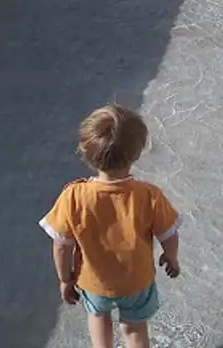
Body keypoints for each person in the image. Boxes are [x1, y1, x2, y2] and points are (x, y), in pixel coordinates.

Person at [39, 105, 182, 348]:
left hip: (94, 282)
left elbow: (61, 246)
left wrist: (65, 278)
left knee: (98, 319)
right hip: (137, 280)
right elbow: (169, 233)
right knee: (135, 330)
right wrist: (172, 257)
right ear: (137, 153)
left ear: (85, 151)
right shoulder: (148, 195)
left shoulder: (74, 196)